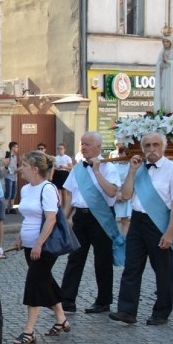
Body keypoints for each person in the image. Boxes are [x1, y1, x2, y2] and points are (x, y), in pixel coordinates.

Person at [110, 132, 173, 326]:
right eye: (147, 145)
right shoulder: (138, 169)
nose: (151, 149)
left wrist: (170, 232)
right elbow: (127, 195)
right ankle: (127, 311)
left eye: (156, 145)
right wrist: (131, 172)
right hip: (137, 222)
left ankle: (161, 312)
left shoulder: (172, 170)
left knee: (162, 270)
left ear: (163, 147)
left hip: (158, 223)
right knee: (132, 267)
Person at [12, 151, 71, 344]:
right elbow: (28, 216)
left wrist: (38, 243)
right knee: (45, 280)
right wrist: (21, 235)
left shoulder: (48, 189)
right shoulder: (26, 189)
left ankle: (29, 331)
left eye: (24, 165)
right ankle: (61, 319)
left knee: (34, 283)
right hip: (29, 244)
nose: (21, 169)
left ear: (35, 169)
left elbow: (51, 219)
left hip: (44, 246)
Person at [59, 132, 119, 314]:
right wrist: (63, 219)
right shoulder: (77, 169)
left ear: (98, 147)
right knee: (75, 258)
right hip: (80, 218)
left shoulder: (109, 167)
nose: (83, 147)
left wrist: (97, 171)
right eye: (82, 144)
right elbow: (69, 197)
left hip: (100, 218)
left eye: (87, 144)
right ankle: (67, 300)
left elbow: (111, 192)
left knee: (102, 260)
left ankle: (103, 301)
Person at [110, 143, 132, 235]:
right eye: (120, 153)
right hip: (117, 194)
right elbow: (112, 181)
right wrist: (117, 193)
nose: (120, 155)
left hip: (127, 194)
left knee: (126, 219)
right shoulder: (114, 167)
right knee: (114, 218)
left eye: (122, 154)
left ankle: (124, 238)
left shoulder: (131, 166)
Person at [153, 28, 173, 112]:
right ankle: (163, 112)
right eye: (164, 41)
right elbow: (158, 65)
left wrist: (168, 62)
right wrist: (162, 63)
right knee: (163, 95)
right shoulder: (161, 52)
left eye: (167, 41)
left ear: (171, 42)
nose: (165, 43)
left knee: (171, 95)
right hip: (164, 77)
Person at [4, 141, 19, 214]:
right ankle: (6, 207)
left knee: (13, 193)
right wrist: (16, 170)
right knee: (8, 193)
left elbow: (15, 166)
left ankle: (12, 207)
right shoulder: (8, 156)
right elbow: (7, 167)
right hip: (9, 177)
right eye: (16, 147)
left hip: (15, 177)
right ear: (12, 148)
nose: (17, 148)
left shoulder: (15, 156)